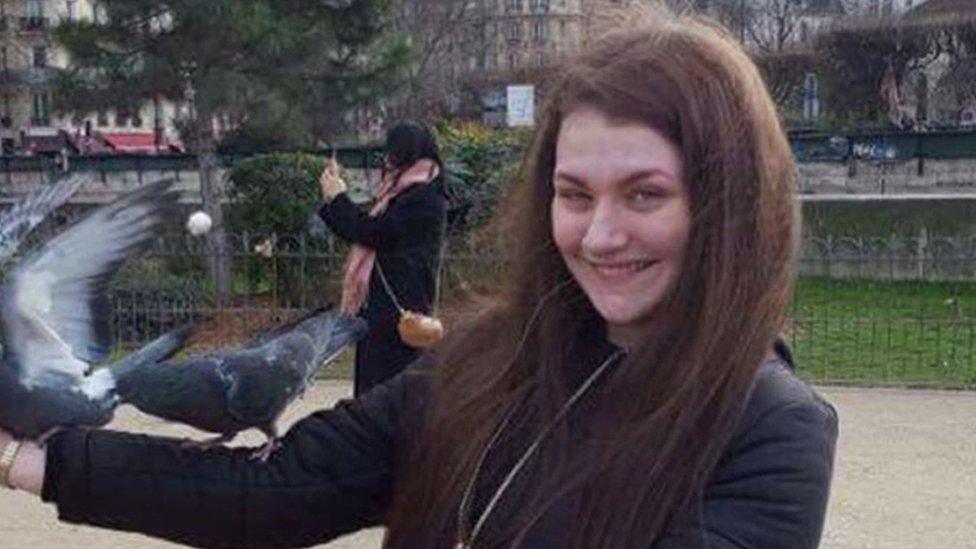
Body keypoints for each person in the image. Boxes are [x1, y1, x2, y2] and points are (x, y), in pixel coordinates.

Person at [0, 8, 837, 548]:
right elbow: (280, 485)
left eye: (646, 193)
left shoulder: (771, 429)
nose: (601, 233)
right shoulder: (489, 360)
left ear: (726, 201)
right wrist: (38, 460)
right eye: (574, 194)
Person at [318, 121, 448, 395]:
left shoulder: (423, 195)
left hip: (399, 306)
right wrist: (334, 199)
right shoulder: (403, 191)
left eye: (393, 154)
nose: (387, 162)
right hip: (382, 307)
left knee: (387, 386)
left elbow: (374, 233)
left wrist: (338, 198)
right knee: (377, 383)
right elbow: (367, 230)